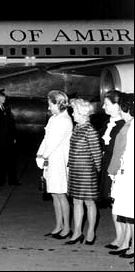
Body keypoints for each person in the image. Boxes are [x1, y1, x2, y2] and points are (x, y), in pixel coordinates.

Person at [36, 90, 73, 239]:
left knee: (61, 194)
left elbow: (54, 142)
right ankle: (58, 225)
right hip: (50, 160)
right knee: (54, 194)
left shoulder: (64, 120)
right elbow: (46, 139)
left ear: (58, 104)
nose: (48, 107)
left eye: (50, 104)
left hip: (59, 160)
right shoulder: (53, 119)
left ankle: (67, 228)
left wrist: (43, 156)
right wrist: (39, 154)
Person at [65, 98, 102, 245]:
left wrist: (97, 175)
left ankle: (91, 232)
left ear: (81, 113)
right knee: (76, 201)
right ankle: (77, 232)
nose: (72, 115)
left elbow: (97, 155)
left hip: (87, 173)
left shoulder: (90, 130)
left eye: (74, 112)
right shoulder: (77, 128)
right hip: (75, 171)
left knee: (89, 202)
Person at [107, 93, 134, 257]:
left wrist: (113, 170)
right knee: (126, 212)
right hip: (125, 173)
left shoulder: (129, 127)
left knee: (130, 212)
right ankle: (126, 243)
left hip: (128, 174)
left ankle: (131, 246)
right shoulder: (128, 126)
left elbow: (121, 153)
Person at [99, 90, 125, 208]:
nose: (103, 106)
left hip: (116, 165)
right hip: (106, 163)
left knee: (117, 201)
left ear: (117, 105)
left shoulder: (124, 125)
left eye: (107, 104)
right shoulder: (107, 122)